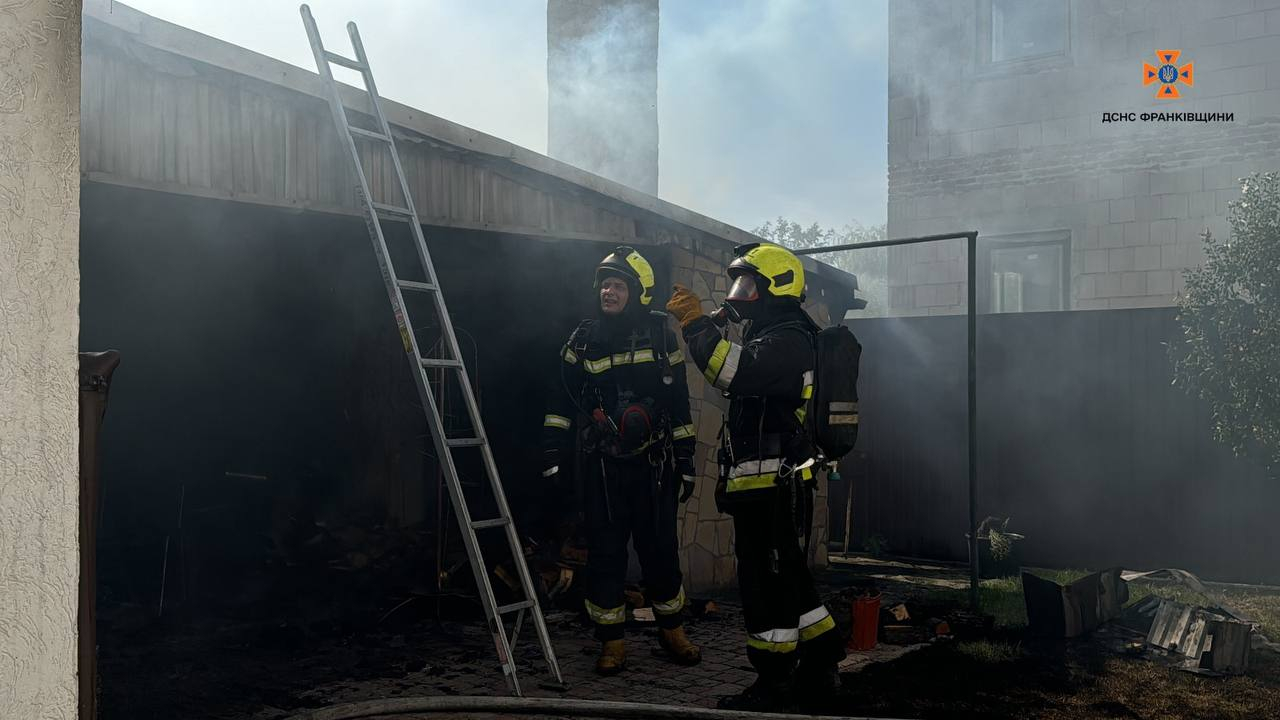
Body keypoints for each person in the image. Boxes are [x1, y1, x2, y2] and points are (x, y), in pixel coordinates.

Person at [665, 242, 844, 710]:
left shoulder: (788, 341)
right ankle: (822, 660)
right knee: (790, 577)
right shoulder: (778, 335)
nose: (741, 293)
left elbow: (732, 372)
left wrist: (696, 324)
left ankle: (775, 681)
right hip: (763, 487)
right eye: (739, 283)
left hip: (774, 488)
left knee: (766, 585)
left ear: (777, 289)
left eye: (749, 284)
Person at [542, 246, 702, 675]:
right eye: (604, 285)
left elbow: (679, 402)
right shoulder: (583, 339)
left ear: (638, 292)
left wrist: (686, 460)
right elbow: (559, 400)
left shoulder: (662, 337)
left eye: (617, 286)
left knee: (661, 552)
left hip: (654, 467)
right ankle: (611, 642)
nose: (608, 292)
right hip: (604, 469)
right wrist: (553, 451)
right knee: (606, 556)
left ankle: (673, 631)